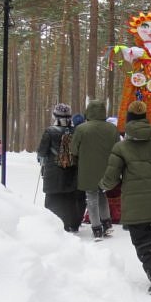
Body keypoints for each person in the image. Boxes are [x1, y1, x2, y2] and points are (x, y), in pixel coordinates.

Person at [100, 101, 151, 294]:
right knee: (148, 233)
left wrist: (102, 186)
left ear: (128, 122)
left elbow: (111, 177)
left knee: (141, 240)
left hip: (134, 202)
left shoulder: (121, 148)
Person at [71, 100, 120, 241]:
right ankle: (107, 223)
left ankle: (97, 228)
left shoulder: (82, 129)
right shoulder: (112, 129)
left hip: (87, 169)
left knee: (91, 197)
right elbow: (118, 148)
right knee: (103, 194)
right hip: (107, 168)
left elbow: (74, 149)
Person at [36, 103, 84, 232]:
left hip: (53, 170)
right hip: (73, 170)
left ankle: (53, 226)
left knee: (53, 198)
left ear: (55, 115)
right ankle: (72, 224)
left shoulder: (50, 131)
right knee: (70, 198)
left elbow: (41, 152)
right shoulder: (76, 131)